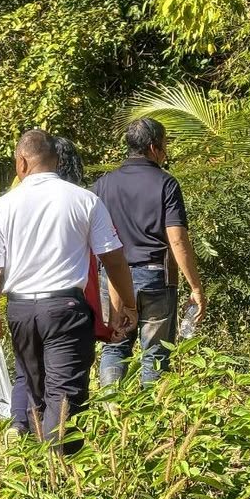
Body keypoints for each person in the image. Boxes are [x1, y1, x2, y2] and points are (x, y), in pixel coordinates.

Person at [0, 129, 136, 455]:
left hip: (20, 311)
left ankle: (40, 473)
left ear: (21, 163)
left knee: (36, 394)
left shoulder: (2, 207)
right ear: (57, 161)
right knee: (65, 398)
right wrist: (127, 306)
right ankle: (62, 479)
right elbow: (114, 260)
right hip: (65, 309)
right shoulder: (84, 200)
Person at [93, 117, 208, 385]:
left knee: (114, 345)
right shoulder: (166, 184)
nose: (166, 152)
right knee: (156, 353)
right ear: (154, 147)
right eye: (165, 145)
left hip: (110, 279)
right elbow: (177, 239)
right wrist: (196, 287)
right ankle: (150, 417)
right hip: (155, 277)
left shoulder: (102, 185)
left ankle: (112, 415)